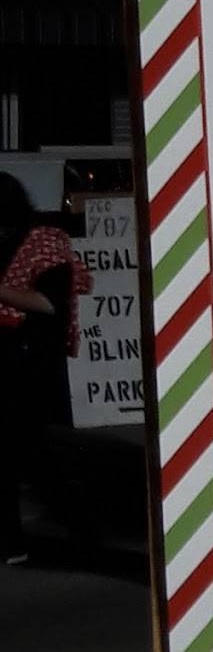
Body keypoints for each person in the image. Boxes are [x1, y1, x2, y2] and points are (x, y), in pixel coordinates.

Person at [0, 173, 92, 564]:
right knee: (23, 455)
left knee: (28, 455)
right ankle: (16, 542)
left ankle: (79, 531)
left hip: (26, 363)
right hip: (11, 360)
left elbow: (49, 304)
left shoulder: (44, 243)